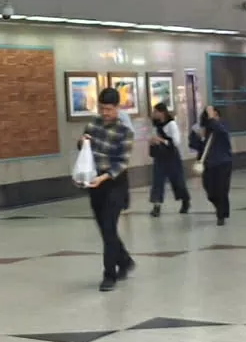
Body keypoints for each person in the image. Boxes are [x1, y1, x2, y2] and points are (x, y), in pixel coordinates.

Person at [79, 88, 136, 292]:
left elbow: (122, 162)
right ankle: (126, 260)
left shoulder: (125, 131)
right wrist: (83, 142)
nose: (105, 113)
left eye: (109, 109)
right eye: (102, 109)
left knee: (110, 227)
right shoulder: (93, 124)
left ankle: (109, 274)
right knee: (104, 229)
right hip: (95, 183)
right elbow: (83, 148)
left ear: (117, 108)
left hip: (115, 182)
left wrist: (104, 177)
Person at [189, 106, 233, 225]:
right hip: (208, 165)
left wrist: (212, 117)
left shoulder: (221, 128)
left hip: (223, 163)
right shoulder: (203, 130)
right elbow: (193, 145)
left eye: (215, 115)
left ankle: (221, 214)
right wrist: (197, 135)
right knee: (210, 191)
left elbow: (220, 130)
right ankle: (221, 208)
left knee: (222, 189)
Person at [148, 102, 189, 217]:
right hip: (159, 157)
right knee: (157, 182)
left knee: (177, 181)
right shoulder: (155, 125)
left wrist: (161, 140)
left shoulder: (171, 124)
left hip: (171, 157)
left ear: (162, 113)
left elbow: (176, 141)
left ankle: (185, 201)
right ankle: (157, 206)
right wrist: (152, 141)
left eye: (155, 112)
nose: (153, 114)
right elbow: (153, 137)